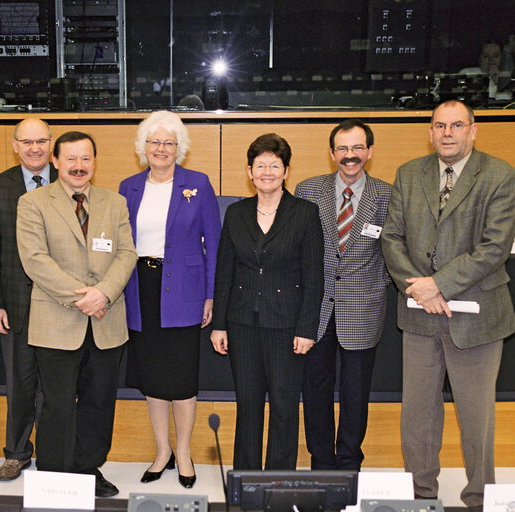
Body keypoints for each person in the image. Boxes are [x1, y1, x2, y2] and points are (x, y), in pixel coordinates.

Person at [381, 100, 515, 508]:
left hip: (476, 317)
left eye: (457, 125)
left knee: (477, 418)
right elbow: (391, 238)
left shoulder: (499, 174)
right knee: (418, 417)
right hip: (420, 317)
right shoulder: (409, 173)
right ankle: (420, 495)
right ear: (431, 131)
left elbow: (495, 248)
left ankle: (479, 499)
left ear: (473, 130)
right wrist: (419, 290)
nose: (448, 133)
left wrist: (436, 285)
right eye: (440, 125)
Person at [16, 131, 137, 497]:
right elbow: (35, 259)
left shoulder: (113, 202)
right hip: (56, 320)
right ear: (55, 161)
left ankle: (87, 468)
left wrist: (103, 293)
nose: (79, 166)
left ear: (94, 162)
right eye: (71, 159)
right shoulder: (33, 202)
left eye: (86, 159)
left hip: (106, 320)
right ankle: (54, 477)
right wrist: (81, 296)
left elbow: (127, 253)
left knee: (99, 401)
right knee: (56, 404)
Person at [118, 110, 220, 488]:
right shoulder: (128, 186)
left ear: (180, 148)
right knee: (153, 376)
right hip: (140, 288)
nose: (161, 149)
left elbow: (215, 245)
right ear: (143, 147)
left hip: (184, 290)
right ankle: (162, 452)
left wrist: (210, 295)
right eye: (154, 142)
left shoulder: (198, 183)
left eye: (168, 143)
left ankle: (185, 452)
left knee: (181, 378)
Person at [211, 133, 324, 470]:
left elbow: (314, 277)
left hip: (287, 325)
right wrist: (219, 324)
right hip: (242, 322)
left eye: (275, 165)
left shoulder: (304, 213)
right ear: (249, 171)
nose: (267, 171)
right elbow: (224, 272)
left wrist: (307, 329)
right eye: (260, 165)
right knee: (247, 404)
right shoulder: (236, 213)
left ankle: (278, 482)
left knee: (285, 405)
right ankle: (246, 480)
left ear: (286, 171)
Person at [294, 119, 392, 470]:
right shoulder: (307, 191)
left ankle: (349, 464)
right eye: (343, 149)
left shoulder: (388, 195)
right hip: (314, 311)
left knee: (355, 395)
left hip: (364, 309)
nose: (350, 156)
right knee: (315, 393)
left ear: (369, 151)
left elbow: (394, 251)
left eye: (357, 148)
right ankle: (321, 464)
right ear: (332, 153)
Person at [0, 118, 57, 481]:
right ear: (15, 146)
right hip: (14, 305)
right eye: (26, 142)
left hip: (61, 308)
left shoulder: (70, 181)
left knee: (57, 385)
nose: (34, 148)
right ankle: (16, 453)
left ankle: (54, 452)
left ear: (51, 143)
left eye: (41, 141)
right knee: (20, 384)